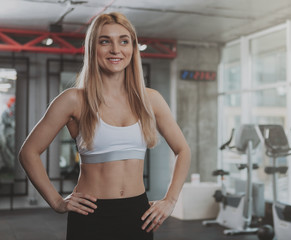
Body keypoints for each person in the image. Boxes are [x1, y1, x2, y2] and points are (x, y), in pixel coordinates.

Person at [18, 12, 191, 240]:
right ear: (93, 48)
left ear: (132, 48)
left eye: (124, 41)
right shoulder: (73, 100)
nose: (115, 50)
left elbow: (183, 150)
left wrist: (170, 200)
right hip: (91, 215)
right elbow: (28, 152)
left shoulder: (151, 99)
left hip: (137, 214)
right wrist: (57, 202)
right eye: (105, 41)